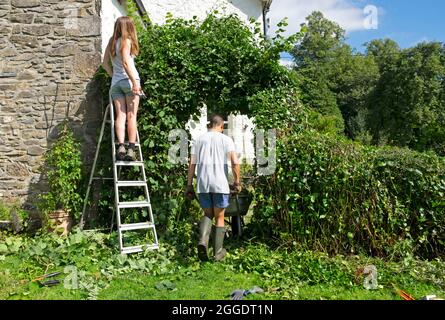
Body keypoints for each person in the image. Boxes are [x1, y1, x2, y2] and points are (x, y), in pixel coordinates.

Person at [186, 114, 242, 262]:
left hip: (203, 184)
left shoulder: (198, 140)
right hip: (220, 185)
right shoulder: (226, 140)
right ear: (221, 126)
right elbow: (235, 162)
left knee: (207, 214)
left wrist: (189, 185)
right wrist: (237, 182)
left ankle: (203, 242)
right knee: (220, 217)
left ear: (209, 125)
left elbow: (192, 165)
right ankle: (217, 253)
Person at [102, 16, 142, 161]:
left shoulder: (111, 42)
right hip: (129, 82)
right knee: (132, 116)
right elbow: (126, 62)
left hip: (116, 83)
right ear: (129, 27)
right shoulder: (127, 41)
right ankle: (131, 148)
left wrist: (114, 76)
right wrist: (134, 82)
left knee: (121, 116)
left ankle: (121, 146)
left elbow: (105, 64)